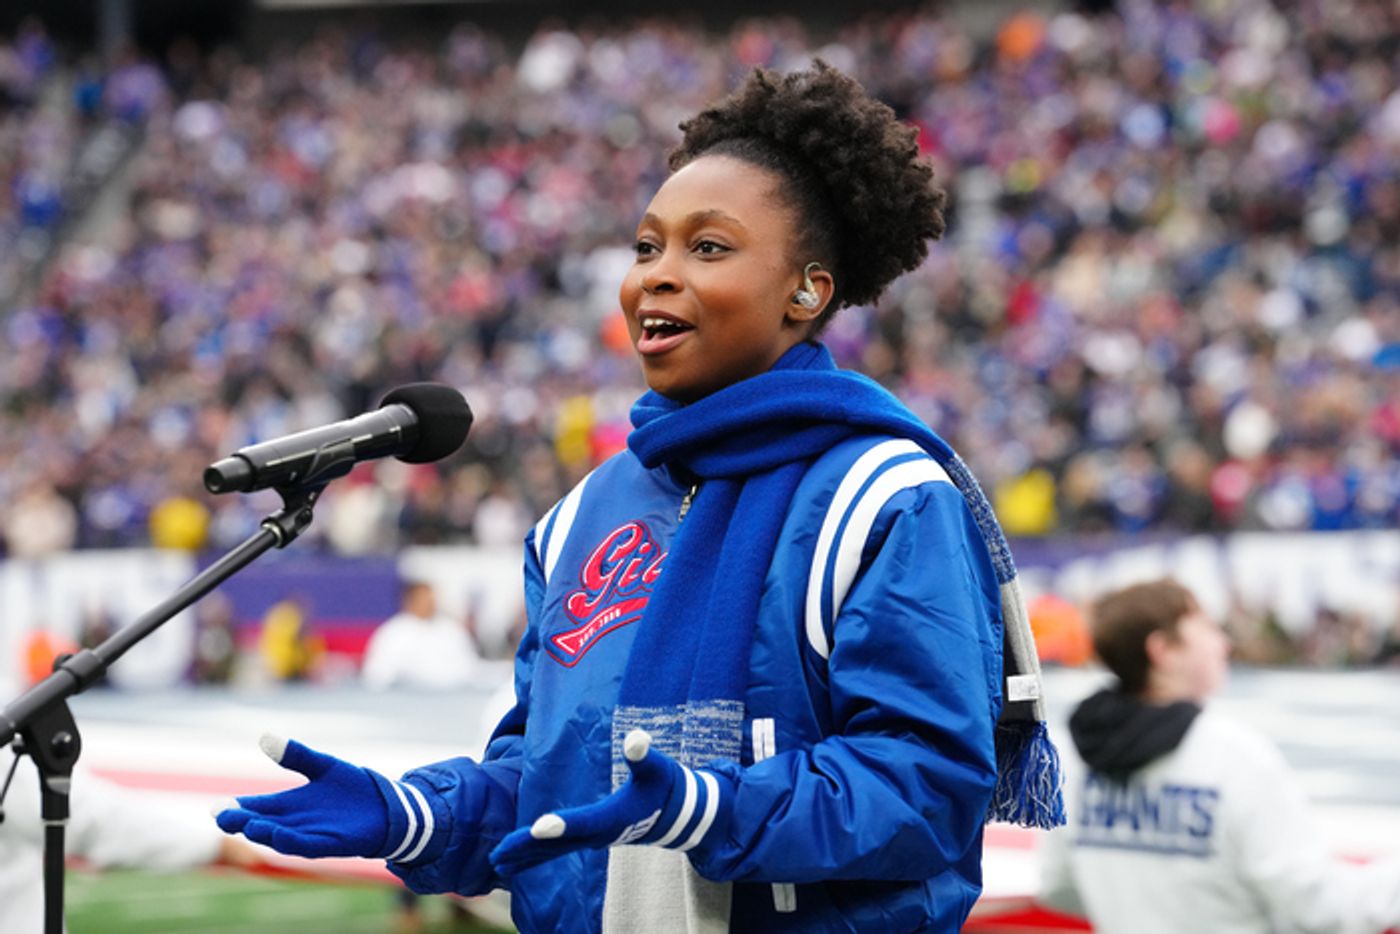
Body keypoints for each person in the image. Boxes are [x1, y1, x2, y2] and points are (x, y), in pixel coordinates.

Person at [216, 61, 1062, 933]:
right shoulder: (581, 513)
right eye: (647, 246)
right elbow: (547, 782)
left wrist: (709, 809)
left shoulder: (887, 497)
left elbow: (924, 787)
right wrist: (420, 816)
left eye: (708, 247)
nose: (653, 276)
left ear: (807, 291)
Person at [1038, 578, 1400, 933]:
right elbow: (1321, 908)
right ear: (1162, 650)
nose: (1223, 644)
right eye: (1207, 629)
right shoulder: (1232, 757)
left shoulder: (1072, 757)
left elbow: (1058, 886)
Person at [361, 580, 485, 691]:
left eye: (432, 598)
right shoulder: (393, 633)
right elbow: (377, 675)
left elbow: (469, 667)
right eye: (424, 598)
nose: (430, 603)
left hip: (451, 696)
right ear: (410, 600)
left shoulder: (451, 630)